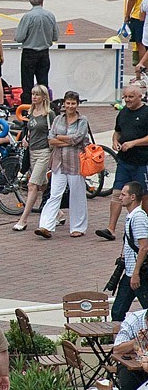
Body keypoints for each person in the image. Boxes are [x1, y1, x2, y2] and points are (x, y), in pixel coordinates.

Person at [34, 90, 90, 239]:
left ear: (77, 104)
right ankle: (46, 225)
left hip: (76, 161)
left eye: (73, 103)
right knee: (54, 194)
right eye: (68, 103)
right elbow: (50, 139)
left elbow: (77, 139)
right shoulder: (58, 119)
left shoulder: (82, 120)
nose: (70, 106)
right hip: (58, 161)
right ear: (64, 104)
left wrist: (60, 138)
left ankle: (78, 227)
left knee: (77, 194)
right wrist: (64, 139)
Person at [96, 84, 148, 241]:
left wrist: (133, 143)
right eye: (125, 97)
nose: (127, 100)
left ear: (140, 97)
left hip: (142, 162)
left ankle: (145, 227)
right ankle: (111, 229)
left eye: (131, 97)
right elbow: (117, 131)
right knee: (117, 193)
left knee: (144, 195)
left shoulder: (146, 113)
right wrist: (115, 141)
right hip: (124, 161)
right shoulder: (123, 112)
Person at [13, 85, 54, 231]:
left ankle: (23, 219)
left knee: (32, 185)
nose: (34, 97)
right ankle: (59, 213)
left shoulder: (49, 114)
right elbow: (31, 130)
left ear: (44, 97)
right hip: (32, 151)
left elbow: (52, 132)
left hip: (44, 152)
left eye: (37, 94)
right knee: (42, 185)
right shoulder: (31, 112)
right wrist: (26, 139)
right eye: (32, 94)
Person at [111, 182, 148, 321]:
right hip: (130, 273)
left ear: (132, 197)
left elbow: (144, 247)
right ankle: (116, 341)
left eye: (123, 194)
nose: (120, 197)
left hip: (139, 274)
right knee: (117, 311)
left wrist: (136, 273)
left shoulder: (138, 217)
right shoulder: (132, 216)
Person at [14, 0, 59, 104]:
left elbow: (19, 37)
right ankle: (44, 106)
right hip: (44, 52)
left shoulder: (27, 17)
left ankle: (27, 108)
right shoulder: (50, 16)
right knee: (43, 82)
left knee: (27, 83)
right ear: (42, 1)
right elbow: (55, 36)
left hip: (29, 52)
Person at [113, 308, 148, 390]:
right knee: (128, 377)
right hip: (130, 364)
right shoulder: (134, 320)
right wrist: (137, 340)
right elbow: (117, 349)